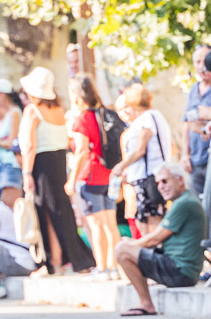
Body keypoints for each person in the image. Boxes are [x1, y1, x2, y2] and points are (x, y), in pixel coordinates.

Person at [18, 67, 95, 274]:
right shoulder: (59, 110)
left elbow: (28, 146)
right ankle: (65, 259)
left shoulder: (32, 111)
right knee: (61, 212)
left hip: (41, 166)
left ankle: (52, 261)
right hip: (59, 162)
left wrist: (27, 174)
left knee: (45, 213)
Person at [115, 163, 206, 315]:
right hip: (178, 267)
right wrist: (131, 244)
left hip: (180, 271)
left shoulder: (184, 203)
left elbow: (154, 240)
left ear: (180, 180)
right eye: (157, 183)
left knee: (121, 250)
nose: (160, 187)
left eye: (165, 181)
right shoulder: (183, 201)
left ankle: (146, 303)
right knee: (126, 244)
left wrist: (129, 246)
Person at [66, 73, 120, 277]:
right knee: (110, 223)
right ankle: (113, 265)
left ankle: (103, 266)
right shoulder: (106, 114)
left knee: (96, 225)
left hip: (89, 176)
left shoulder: (83, 119)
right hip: (109, 175)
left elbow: (81, 151)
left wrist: (71, 179)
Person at [112, 83, 170, 235]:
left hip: (149, 178)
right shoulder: (151, 117)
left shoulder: (148, 118)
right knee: (143, 221)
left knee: (152, 222)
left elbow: (140, 149)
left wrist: (121, 166)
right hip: (144, 178)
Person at [180, 44, 211, 198]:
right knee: (199, 210)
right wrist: (185, 154)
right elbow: (186, 124)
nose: (202, 66)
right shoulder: (193, 89)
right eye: (197, 62)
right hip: (195, 161)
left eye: (205, 61)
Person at [0, 79, 23, 206]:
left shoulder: (14, 113)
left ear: (2, 94)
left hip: (11, 165)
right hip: (5, 165)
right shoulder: (7, 115)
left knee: (11, 205)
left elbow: (12, 142)